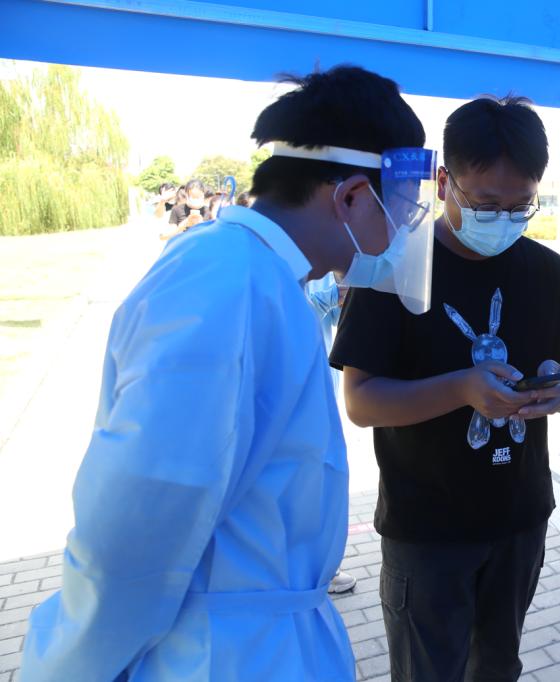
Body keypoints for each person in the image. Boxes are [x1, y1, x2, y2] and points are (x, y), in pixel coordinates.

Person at [21, 65, 435, 681]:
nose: (401, 232)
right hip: (219, 655)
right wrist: (70, 669)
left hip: (258, 639)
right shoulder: (224, 282)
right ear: (350, 195)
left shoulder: (263, 277)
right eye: (399, 210)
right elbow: (137, 522)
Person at [329, 96, 560, 681]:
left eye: (521, 206)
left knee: (498, 666)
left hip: (520, 518)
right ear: (445, 182)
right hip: (427, 530)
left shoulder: (548, 271)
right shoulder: (391, 269)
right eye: (486, 204)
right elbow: (361, 401)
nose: (503, 220)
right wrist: (462, 389)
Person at [305, 271, 359, 595]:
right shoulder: (278, 263)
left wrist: (343, 298)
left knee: (324, 480)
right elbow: (293, 313)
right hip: (296, 395)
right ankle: (312, 570)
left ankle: (324, 566)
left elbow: (338, 319)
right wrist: (330, 296)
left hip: (321, 391)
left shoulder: (323, 268)